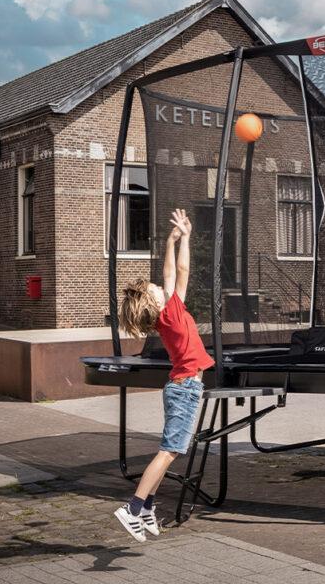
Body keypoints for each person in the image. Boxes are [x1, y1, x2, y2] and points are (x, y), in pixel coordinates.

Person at [112, 207, 212, 542]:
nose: (160, 285)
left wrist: (172, 239)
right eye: (156, 289)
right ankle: (134, 507)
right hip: (184, 389)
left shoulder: (172, 313)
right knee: (169, 451)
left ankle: (149, 507)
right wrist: (187, 238)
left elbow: (170, 274)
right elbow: (180, 271)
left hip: (180, 387)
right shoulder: (170, 314)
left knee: (169, 450)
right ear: (156, 304)